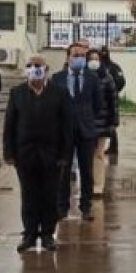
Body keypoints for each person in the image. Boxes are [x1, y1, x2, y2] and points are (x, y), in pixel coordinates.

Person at [5, 55, 74, 253]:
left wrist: (65, 154)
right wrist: (9, 152)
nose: (34, 68)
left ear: (46, 69)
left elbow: (67, 125)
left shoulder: (59, 93)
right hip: (25, 154)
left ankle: (47, 235)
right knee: (28, 196)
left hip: (52, 154)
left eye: (38, 65)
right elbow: (10, 124)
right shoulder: (17, 93)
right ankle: (29, 234)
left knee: (49, 196)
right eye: (30, 65)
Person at [52, 42, 102, 221]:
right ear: (68, 57)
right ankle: (62, 207)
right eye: (76, 55)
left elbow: (98, 104)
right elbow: (54, 104)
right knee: (63, 170)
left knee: (86, 171)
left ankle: (86, 207)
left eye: (82, 56)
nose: (79, 59)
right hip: (64, 132)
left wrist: (87, 119)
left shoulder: (92, 78)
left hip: (86, 131)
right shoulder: (57, 78)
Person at [87, 48, 120, 198]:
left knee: (99, 154)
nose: (94, 62)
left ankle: (98, 186)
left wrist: (113, 122)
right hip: (85, 123)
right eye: (91, 59)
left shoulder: (107, 78)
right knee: (86, 155)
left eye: (96, 59)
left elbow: (114, 102)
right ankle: (87, 183)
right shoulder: (82, 77)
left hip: (102, 123)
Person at [99, 46, 126, 155]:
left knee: (112, 123)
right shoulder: (98, 66)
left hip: (110, 98)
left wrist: (114, 91)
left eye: (105, 52)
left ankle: (113, 147)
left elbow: (122, 81)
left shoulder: (114, 67)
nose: (104, 54)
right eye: (102, 52)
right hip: (101, 99)